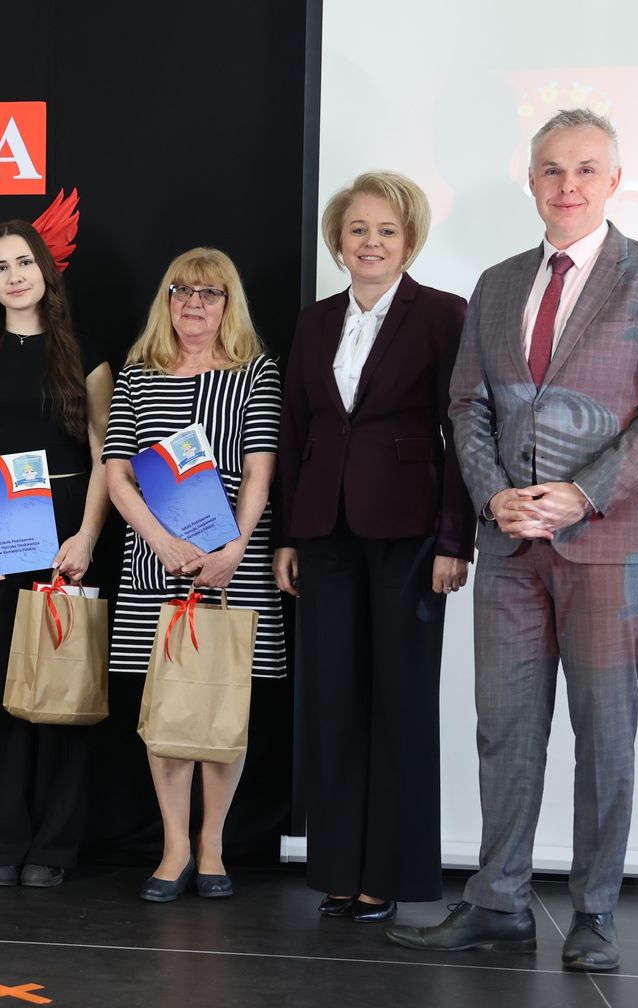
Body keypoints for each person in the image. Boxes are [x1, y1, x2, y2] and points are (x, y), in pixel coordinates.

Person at [387, 109, 638, 970]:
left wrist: (581, 493)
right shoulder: (497, 284)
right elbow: (467, 404)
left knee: (604, 734)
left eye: (586, 169)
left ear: (614, 181)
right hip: (509, 548)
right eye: (553, 170)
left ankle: (595, 914)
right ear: (531, 182)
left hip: (609, 542)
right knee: (504, 730)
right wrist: (493, 496)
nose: (568, 185)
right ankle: (498, 904)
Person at [273, 171, 473, 924]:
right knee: (332, 701)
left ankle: (388, 875)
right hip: (324, 532)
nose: (371, 242)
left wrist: (456, 538)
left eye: (386, 230)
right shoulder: (314, 321)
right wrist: (288, 535)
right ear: (338, 240)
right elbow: (296, 431)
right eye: (357, 229)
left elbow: (462, 432)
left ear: (409, 239)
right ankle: (337, 869)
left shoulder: (444, 315)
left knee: (402, 703)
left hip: (411, 534)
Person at [0, 220, 112, 889]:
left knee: (61, 690)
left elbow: (105, 456)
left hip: (67, 538)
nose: (13, 277)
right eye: (0, 267)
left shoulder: (86, 355)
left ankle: (54, 847)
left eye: (24, 263)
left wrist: (87, 536)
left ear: (45, 272)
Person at [104, 248, 284, 902]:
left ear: (229, 303)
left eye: (210, 293)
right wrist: (158, 540)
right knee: (168, 706)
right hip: (155, 563)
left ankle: (212, 845)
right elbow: (116, 474)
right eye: (182, 291)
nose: (194, 304)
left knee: (222, 701)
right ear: (167, 300)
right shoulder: (137, 374)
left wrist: (233, 548)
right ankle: (175, 845)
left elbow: (261, 470)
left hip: (234, 561)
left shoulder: (257, 371)